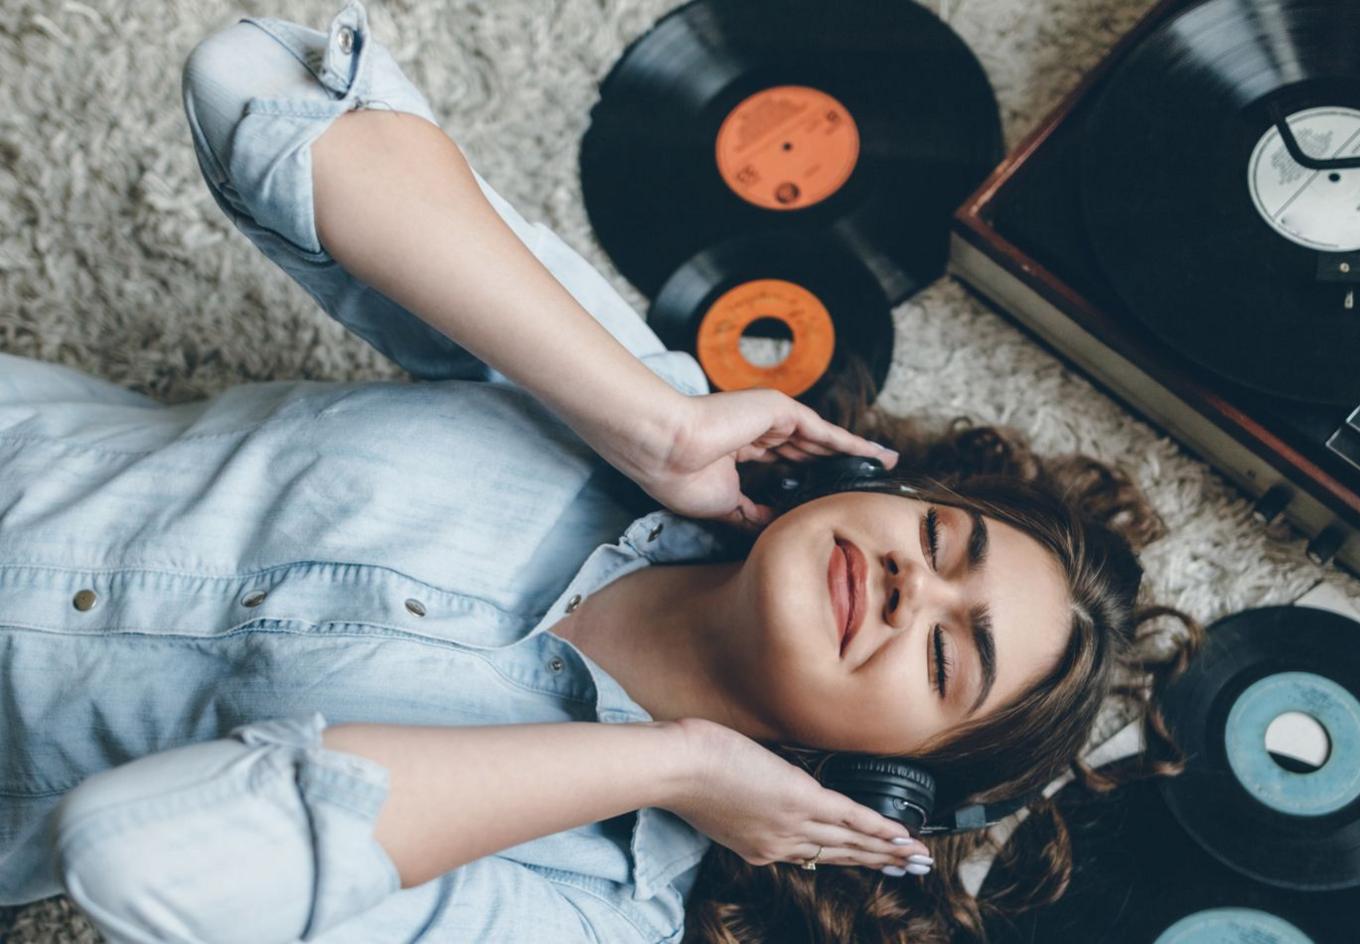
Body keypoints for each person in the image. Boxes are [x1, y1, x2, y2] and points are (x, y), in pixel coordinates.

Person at [0, 3, 1200, 942]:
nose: (907, 586)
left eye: (947, 655)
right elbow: (253, 81)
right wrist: (652, 422)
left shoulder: (588, 907)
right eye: (941, 541)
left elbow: (127, 862)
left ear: (882, 788)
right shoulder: (644, 406)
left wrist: (671, 762)